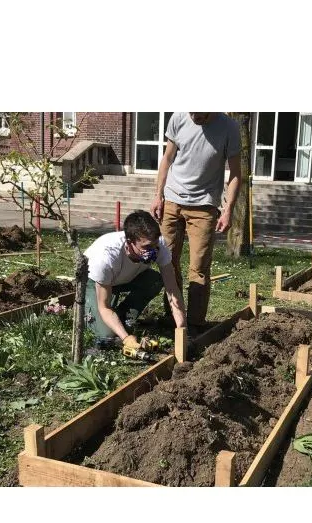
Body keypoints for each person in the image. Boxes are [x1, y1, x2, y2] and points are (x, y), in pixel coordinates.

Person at [150, 112, 241, 332]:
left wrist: (228, 209)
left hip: (204, 206)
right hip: (172, 201)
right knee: (168, 261)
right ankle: (173, 317)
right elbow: (167, 158)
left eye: (198, 112)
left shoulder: (229, 128)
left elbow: (236, 173)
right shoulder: (179, 118)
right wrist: (158, 195)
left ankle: (196, 324)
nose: (193, 116)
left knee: (198, 268)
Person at [82, 210, 187, 355]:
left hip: (125, 278)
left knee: (155, 280)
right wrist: (126, 338)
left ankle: (122, 317)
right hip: (95, 281)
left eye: (155, 246)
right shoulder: (105, 258)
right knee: (107, 335)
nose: (153, 252)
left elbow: (172, 289)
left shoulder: (158, 245)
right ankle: (88, 314)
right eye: (146, 248)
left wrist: (181, 327)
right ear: (130, 243)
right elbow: (104, 307)